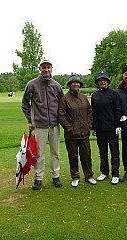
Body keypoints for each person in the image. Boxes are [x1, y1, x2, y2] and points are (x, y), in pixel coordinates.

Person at [22, 59, 64, 190]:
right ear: (40, 69)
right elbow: (25, 104)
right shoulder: (32, 85)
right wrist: (30, 120)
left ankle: (55, 175)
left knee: (55, 152)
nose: (46, 70)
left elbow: (62, 105)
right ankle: (38, 178)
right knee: (39, 153)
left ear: (52, 68)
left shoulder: (56, 86)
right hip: (39, 125)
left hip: (54, 125)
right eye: (44, 67)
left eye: (48, 67)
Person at [59, 74, 97, 187]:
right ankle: (75, 177)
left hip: (84, 133)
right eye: (73, 83)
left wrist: (88, 126)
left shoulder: (84, 97)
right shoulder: (65, 98)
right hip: (71, 134)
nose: (76, 84)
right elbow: (61, 115)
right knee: (73, 156)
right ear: (70, 85)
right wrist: (69, 128)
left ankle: (89, 176)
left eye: (77, 83)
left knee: (86, 155)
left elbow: (89, 112)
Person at [91, 71, 121, 185]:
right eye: (100, 80)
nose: (102, 82)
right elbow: (93, 112)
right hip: (100, 129)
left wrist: (118, 125)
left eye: (104, 80)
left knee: (114, 152)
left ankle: (115, 174)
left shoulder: (114, 94)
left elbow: (118, 110)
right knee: (102, 152)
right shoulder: (95, 95)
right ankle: (104, 172)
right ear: (98, 83)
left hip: (112, 129)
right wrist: (93, 127)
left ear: (107, 82)